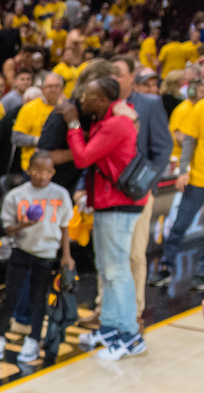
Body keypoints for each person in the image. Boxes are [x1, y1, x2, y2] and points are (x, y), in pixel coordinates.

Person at [57, 76, 148, 360]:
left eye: (88, 95)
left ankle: (130, 336)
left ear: (104, 99)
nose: (82, 100)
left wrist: (72, 123)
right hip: (109, 204)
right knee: (107, 270)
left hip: (118, 205)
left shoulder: (115, 125)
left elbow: (83, 158)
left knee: (118, 271)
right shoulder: (110, 120)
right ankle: (110, 327)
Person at [0, 152, 75, 363]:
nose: (42, 175)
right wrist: (24, 224)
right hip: (21, 251)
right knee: (11, 296)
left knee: (38, 299)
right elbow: (8, 229)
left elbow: (65, 228)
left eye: (47, 171)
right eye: (37, 170)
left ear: (53, 172)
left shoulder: (61, 194)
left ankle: (34, 339)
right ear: (28, 170)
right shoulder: (16, 195)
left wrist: (66, 255)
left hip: (46, 254)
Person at [110, 56, 172, 308]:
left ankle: (135, 310)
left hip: (139, 192)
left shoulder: (150, 104)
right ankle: (105, 306)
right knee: (109, 256)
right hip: (109, 191)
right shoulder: (106, 104)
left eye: (118, 74)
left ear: (131, 76)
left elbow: (163, 148)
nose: (113, 78)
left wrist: (144, 182)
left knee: (135, 254)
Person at [161, 84, 204, 292]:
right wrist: (183, 171)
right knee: (179, 225)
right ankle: (166, 266)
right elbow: (189, 142)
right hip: (198, 178)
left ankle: (202, 272)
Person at [13, 70, 63, 171]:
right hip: (32, 167)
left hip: (58, 166)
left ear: (62, 89)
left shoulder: (66, 108)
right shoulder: (28, 109)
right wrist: (40, 141)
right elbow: (17, 138)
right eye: (50, 86)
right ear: (42, 89)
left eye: (56, 86)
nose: (53, 89)